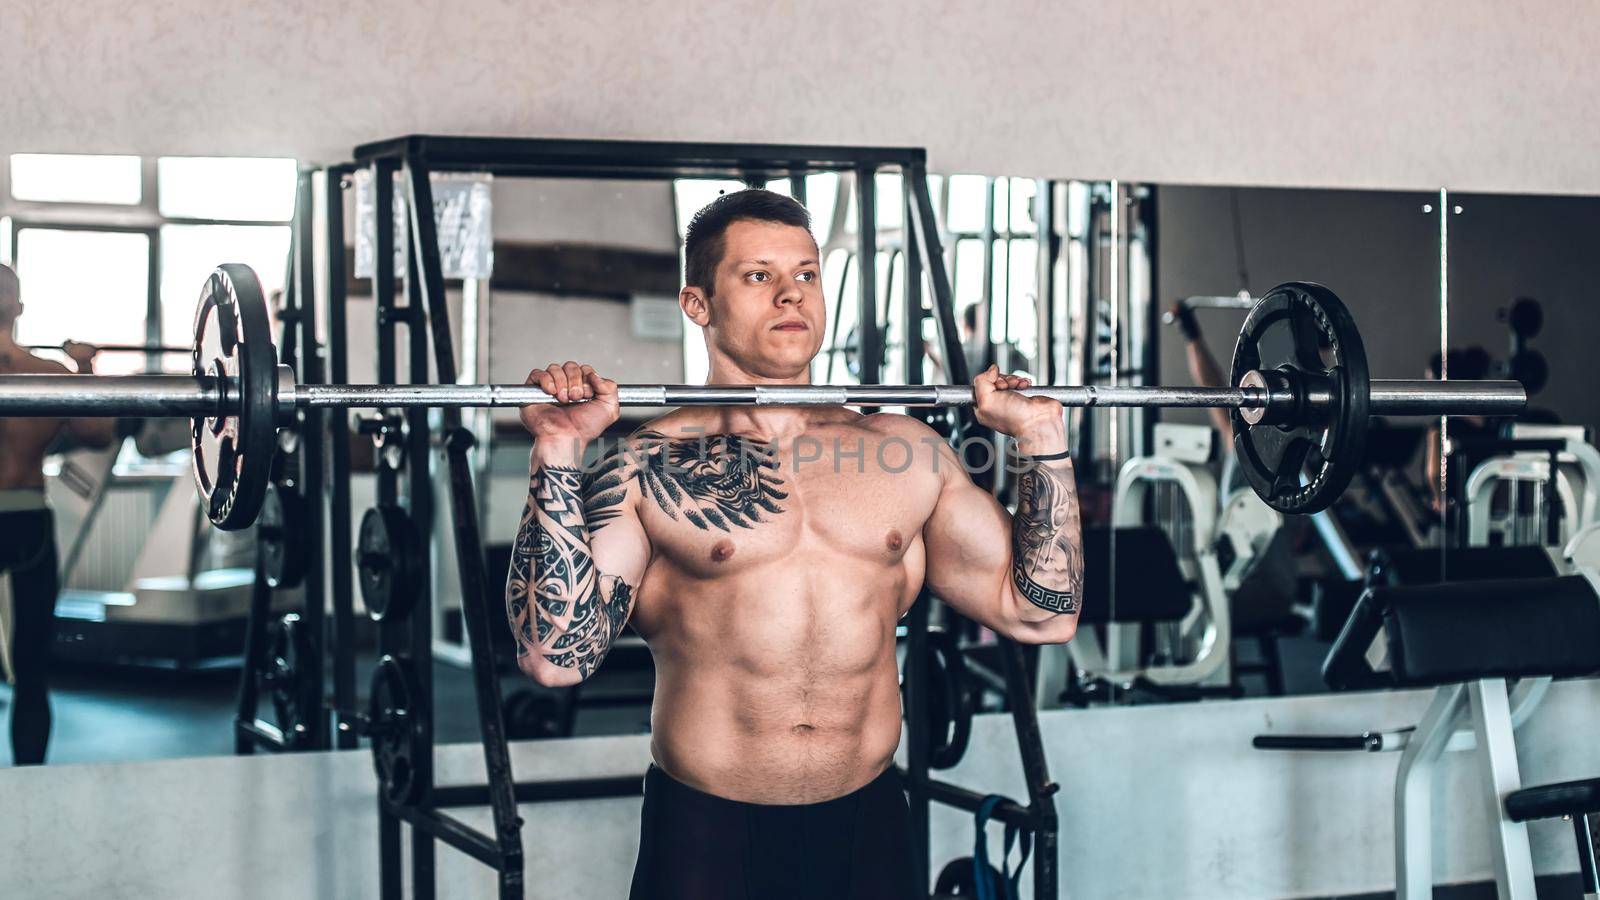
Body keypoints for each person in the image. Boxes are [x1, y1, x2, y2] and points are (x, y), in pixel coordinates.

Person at [506, 191, 1083, 900]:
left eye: (807, 274)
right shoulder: (645, 467)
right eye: (758, 276)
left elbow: (1042, 614)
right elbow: (555, 657)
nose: (790, 295)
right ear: (697, 304)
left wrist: (1040, 441)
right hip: (709, 835)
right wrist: (560, 449)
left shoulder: (910, 454)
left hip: (867, 824)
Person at [0, 263, 116, 765]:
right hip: (27, 518)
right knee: (31, 666)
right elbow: (99, 433)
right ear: (20, 307)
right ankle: (29, 781)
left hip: (28, 518)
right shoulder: (46, 373)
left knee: (29, 662)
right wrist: (84, 368)